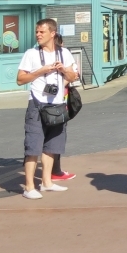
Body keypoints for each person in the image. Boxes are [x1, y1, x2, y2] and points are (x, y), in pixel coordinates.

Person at [16, 18, 79, 200]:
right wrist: (40, 71)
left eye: (42, 32)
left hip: (57, 104)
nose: (38, 35)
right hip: (37, 104)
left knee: (52, 145)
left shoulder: (64, 53)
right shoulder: (31, 54)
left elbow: (73, 76)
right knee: (33, 146)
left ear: (53, 33)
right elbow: (20, 79)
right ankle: (29, 187)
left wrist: (63, 71)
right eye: (37, 32)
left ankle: (47, 183)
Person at [50, 33, 75, 181]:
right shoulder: (37, 56)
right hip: (57, 103)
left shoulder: (64, 57)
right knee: (56, 134)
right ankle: (55, 171)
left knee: (54, 133)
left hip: (56, 101)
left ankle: (54, 170)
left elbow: (72, 76)